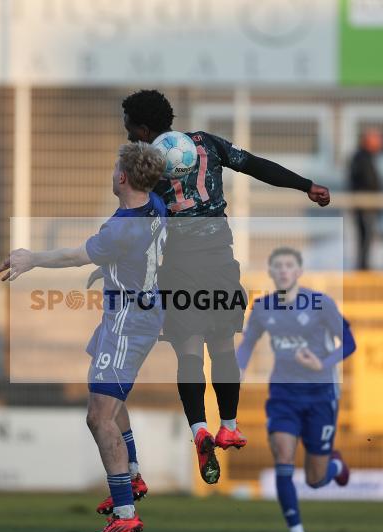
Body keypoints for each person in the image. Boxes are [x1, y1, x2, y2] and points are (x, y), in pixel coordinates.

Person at [120, 89, 331, 486]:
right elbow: (254, 166)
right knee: (221, 346)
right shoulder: (206, 144)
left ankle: (200, 429)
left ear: (144, 129)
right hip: (219, 259)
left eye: (130, 127)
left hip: (179, 266)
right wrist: (306, 185)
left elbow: (136, 218)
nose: (128, 133)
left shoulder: (140, 164)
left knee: (188, 348)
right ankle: (229, 425)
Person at [0, 142, 168, 532]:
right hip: (133, 314)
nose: (111, 173)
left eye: (114, 168)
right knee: (112, 399)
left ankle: (125, 515)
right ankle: (133, 475)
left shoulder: (121, 228)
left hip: (129, 321)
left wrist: (31, 258)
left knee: (98, 417)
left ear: (123, 178)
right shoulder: (157, 203)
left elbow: (75, 256)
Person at [236, 247, 355, 532]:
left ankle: (335, 465)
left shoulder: (320, 304)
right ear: (272, 273)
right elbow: (247, 344)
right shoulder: (262, 308)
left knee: (316, 479)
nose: (284, 271)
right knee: (283, 457)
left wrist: (322, 363)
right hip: (283, 396)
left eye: (290, 265)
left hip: (320, 395)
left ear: (299, 271)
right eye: (278, 266)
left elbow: (350, 342)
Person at [348, 128, 383, 270]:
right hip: (365, 204)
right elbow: (366, 181)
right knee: (365, 236)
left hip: (368, 204)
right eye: (377, 141)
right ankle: (363, 267)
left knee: (367, 236)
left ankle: (364, 265)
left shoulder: (366, 157)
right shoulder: (361, 157)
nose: (380, 144)